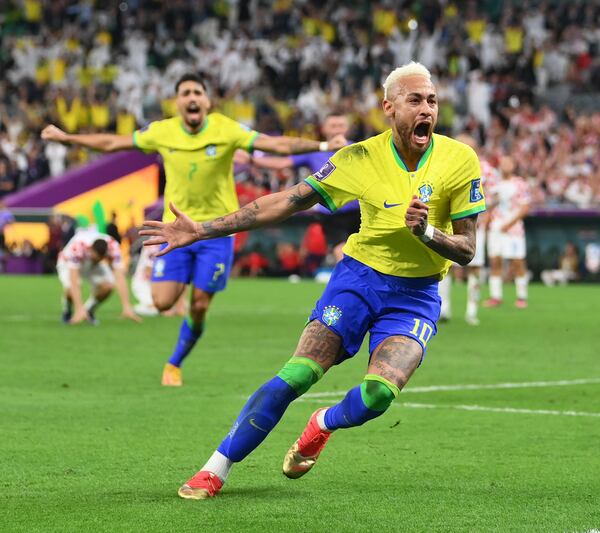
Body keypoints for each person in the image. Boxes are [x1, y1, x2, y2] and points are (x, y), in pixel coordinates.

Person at [141, 62, 485, 499]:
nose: (427, 109)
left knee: (379, 395)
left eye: (432, 100)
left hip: (415, 295)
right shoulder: (359, 157)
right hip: (358, 281)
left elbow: (468, 249)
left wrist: (426, 232)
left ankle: (323, 423)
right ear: (389, 107)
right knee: (298, 373)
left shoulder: (459, 159)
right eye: (415, 100)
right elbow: (284, 202)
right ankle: (216, 467)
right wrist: (201, 229)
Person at [41, 73, 347, 387]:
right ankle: (188, 277)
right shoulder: (162, 131)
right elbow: (113, 142)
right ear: (177, 103)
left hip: (215, 231)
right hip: (175, 231)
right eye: (186, 92)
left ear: (207, 101)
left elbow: (275, 144)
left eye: (198, 92)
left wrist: (322, 144)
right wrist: (69, 139)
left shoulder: (225, 128)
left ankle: (174, 363)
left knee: (199, 306)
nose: (192, 97)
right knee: (161, 303)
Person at [438, 134, 497, 326]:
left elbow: (494, 197)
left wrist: (485, 216)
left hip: (474, 224)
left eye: (468, 146)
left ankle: (472, 309)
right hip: (448, 224)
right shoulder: (445, 166)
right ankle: (444, 307)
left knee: (474, 267)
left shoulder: (486, 170)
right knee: (445, 267)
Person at [57, 230, 141, 325]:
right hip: (66, 262)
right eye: (96, 257)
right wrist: (78, 308)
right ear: (90, 250)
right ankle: (67, 310)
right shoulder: (78, 246)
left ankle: (88, 311)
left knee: (108, 286)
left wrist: (126, 306)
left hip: (92, 264)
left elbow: (119, 276)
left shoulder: (113, 246)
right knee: (70, 288)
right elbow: (74, 279)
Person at [484, 155, 532, 309]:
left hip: (513, 229)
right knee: (495, 261)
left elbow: (525, 207)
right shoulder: (494, 184)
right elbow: (489, 205)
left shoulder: (519, 184)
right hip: (496, 228)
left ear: (513, 165)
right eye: (503, 162)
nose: (505, 165)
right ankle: (496, 296)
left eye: (508, 162)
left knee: (517, 262)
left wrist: (509, 223)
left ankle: (522, 297)